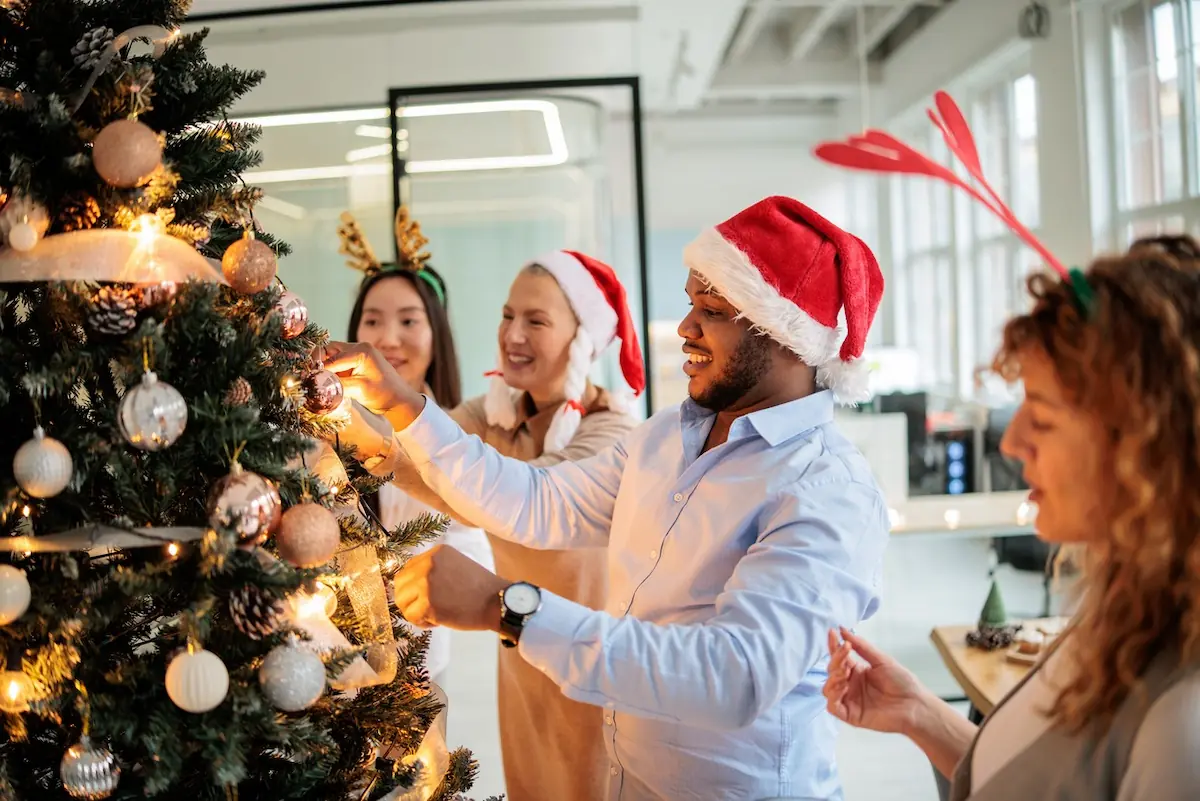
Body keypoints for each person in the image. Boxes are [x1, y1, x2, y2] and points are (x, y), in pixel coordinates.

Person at [326, 196, 891, 801]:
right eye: (690, 303)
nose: (685, 328)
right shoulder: (666, 439)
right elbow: (538, 502)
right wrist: (402, 407)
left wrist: (505, 606)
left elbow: (733, 677)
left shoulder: (828, 490)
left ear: (783, 332)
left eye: (713, 309)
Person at [810, 92, 1200, 801]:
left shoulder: (1183, 722)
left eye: (1044, 417)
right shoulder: (1119, 615)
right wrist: (923, 715)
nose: (1014, 439)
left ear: (1145, 448)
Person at [338, 249, 643, 801]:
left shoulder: (613, 434)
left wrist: (401, 405)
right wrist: (338, 409)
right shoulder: (493, 416)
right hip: (523, 660)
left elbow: (523, 498)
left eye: (536, 320)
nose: (513, 335)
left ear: (581, 339)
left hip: (596, 664)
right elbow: (417, 462)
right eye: (507, 316)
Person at [336, 207, 492, 687]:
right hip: (328, 659)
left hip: (417, 667)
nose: (389, 339)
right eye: (374, 321)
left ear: (435, 334)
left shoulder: (459, 437)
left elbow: (480, 556)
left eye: (409, 320)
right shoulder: (329, 424)